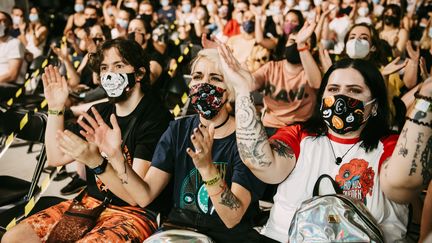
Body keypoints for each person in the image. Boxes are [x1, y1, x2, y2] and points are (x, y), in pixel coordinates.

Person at [219, 40, 432, 242]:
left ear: (374, 106)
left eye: (354, 91)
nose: (340, 98)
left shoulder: (389, 145)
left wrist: (427, 97)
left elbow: (403, 183)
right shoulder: (299, 134)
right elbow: (261, 163)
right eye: (333, 89)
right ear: (322, 98)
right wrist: (243, 91)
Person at [76, 48, 266, 242]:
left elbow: (232, 218)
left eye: (215, 79)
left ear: (230, 90)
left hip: (228, 237)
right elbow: (144, 196)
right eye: (197, 77)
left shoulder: (247, 139)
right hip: (179, 230)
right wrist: (116, 158)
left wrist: (208, 169)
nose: (203, 85)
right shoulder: (178, 130)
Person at [2, 38, 173, 242]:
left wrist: (97, 163)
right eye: (104, 68)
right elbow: (55, 158)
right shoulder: (98, 112)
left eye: (118, 66)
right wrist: (56, 108)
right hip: (91, 203)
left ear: (139, 73)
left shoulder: (155, 118)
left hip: (133, 214)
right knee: (14, 238)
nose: (110, 74)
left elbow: (136, 199)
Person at [0, 11, 24, 84]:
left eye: (3, 21)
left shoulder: (15, 43)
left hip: (7, 86)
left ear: (10, 25)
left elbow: (12, 75)